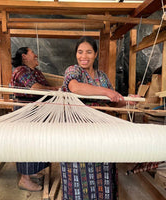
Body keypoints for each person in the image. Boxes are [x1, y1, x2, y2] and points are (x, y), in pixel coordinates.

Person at [61, 36, 132, 200]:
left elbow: (113, 104)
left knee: (102, 170)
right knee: (79, 171)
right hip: (77, 133)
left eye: (88, 52)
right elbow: (75, 87)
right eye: (80, 52)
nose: (83, 56)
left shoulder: (103, 77)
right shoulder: (74, 71)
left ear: (95, 54)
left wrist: (126, 101)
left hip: (101, 133)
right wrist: (107, 92)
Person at [11, 47, 58, 192]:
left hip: (37, 111)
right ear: (24, 56)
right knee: (26, 143)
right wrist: (56, 89)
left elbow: (45, 86)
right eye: (33, 53)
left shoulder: (35, 72)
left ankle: (32, 171)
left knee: (37, 142)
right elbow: (35, 88)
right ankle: (24, 179)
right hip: (26, 112)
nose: (36, 55)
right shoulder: (21, 71)